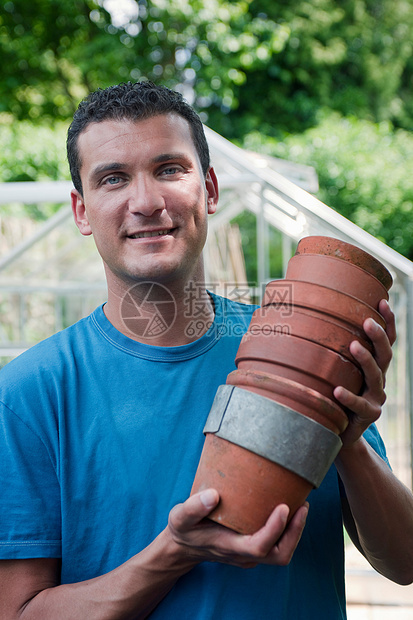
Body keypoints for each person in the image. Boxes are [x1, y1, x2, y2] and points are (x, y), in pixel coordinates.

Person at [0, 81, 412, 620]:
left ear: (210, 189)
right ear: (82, 211)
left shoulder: (297, 345)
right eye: (113, 178)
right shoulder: (31, 393)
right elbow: (20, 612)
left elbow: (404, 563)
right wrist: (174, 554)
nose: (146, 202)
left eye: (169, 169)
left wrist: (349, 439)